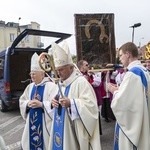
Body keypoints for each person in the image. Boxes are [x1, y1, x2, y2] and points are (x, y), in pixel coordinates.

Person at [49, 42, 101, 150]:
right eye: (57, 70)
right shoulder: (62, 83)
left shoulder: (81, 82)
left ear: (71, 67)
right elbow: (59, 99)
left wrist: (71, 103)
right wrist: (54, 102)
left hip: (75, 133)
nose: (59, 73)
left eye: (61, 69)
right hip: (62, 131)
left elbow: (91, 106)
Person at [107, 42, 150, 150]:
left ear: (128, 54)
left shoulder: (133, 74)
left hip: (134, 122)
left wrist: (113, 91)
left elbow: (123, 103)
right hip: (144, 116)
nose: (120, 59)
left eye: (120, 55)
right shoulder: (144, 71)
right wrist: (120, 89)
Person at [19, 53, 58, 150]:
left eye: (34, 73)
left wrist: (41, 104)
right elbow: (22, 100)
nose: (32, 76)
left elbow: (56, 104)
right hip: (31, 122)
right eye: (31, 73)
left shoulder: (51, 86)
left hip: (45, 124)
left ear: (42, 74)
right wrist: (28, 103)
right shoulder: (30, 86)